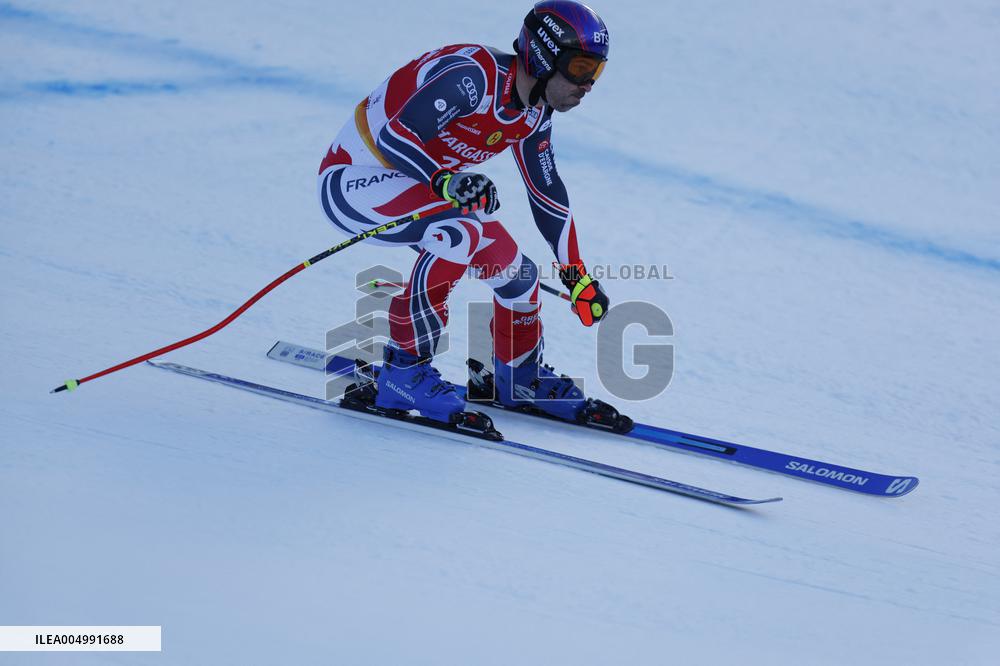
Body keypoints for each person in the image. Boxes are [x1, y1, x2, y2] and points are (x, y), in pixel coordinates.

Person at [317, 0, 611, 423]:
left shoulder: (534, 111)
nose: (588, 84)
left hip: (423, 189)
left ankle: (517, 379)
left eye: (597, 72)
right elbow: (395, 136)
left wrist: (576, 274)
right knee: (461, 231)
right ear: (546, 55)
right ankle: (403, 371)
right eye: (582, 68)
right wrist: (447, 181)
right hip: (353, 183)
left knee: (519, 277)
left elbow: (545, 190)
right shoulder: (473, 77)